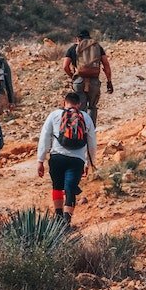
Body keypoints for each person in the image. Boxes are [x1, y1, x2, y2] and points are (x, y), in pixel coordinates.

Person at [36, 91, 97, 226]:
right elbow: (92, 143)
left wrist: (40, 160)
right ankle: (66, 222)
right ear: (79, 104)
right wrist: (89, 163)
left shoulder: (54, 115)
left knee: (57, 187)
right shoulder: (86, 118)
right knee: (70, 189)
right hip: (77, 159)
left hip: (57, 157)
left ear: (64, 102)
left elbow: (44, 137)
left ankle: (58, 219)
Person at [63, 29, 113, 126]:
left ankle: (80, 131)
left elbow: (65, 66)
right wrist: (109, 81)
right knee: (92, 107)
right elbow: (106, 65)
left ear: (78, 38)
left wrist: (72, 77)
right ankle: (90, 132)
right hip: (94, 81)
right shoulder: (97, 47)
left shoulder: (73, 48)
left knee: (80, 107)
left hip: (79, 81)